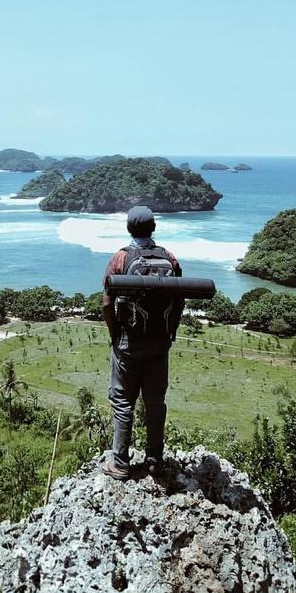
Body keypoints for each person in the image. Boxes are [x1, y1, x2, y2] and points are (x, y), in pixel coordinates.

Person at [101, 205, 184, 480]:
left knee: (123, 400)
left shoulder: (121, 258)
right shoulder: (170, 258)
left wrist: (114, 334)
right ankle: (154, 461)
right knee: (155, 402)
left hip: (128, 343)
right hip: (160, 344)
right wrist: (170, 332)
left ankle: (121, 463)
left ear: (128, 229)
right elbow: (179, 300)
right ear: (154, 228)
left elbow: (106, 302)